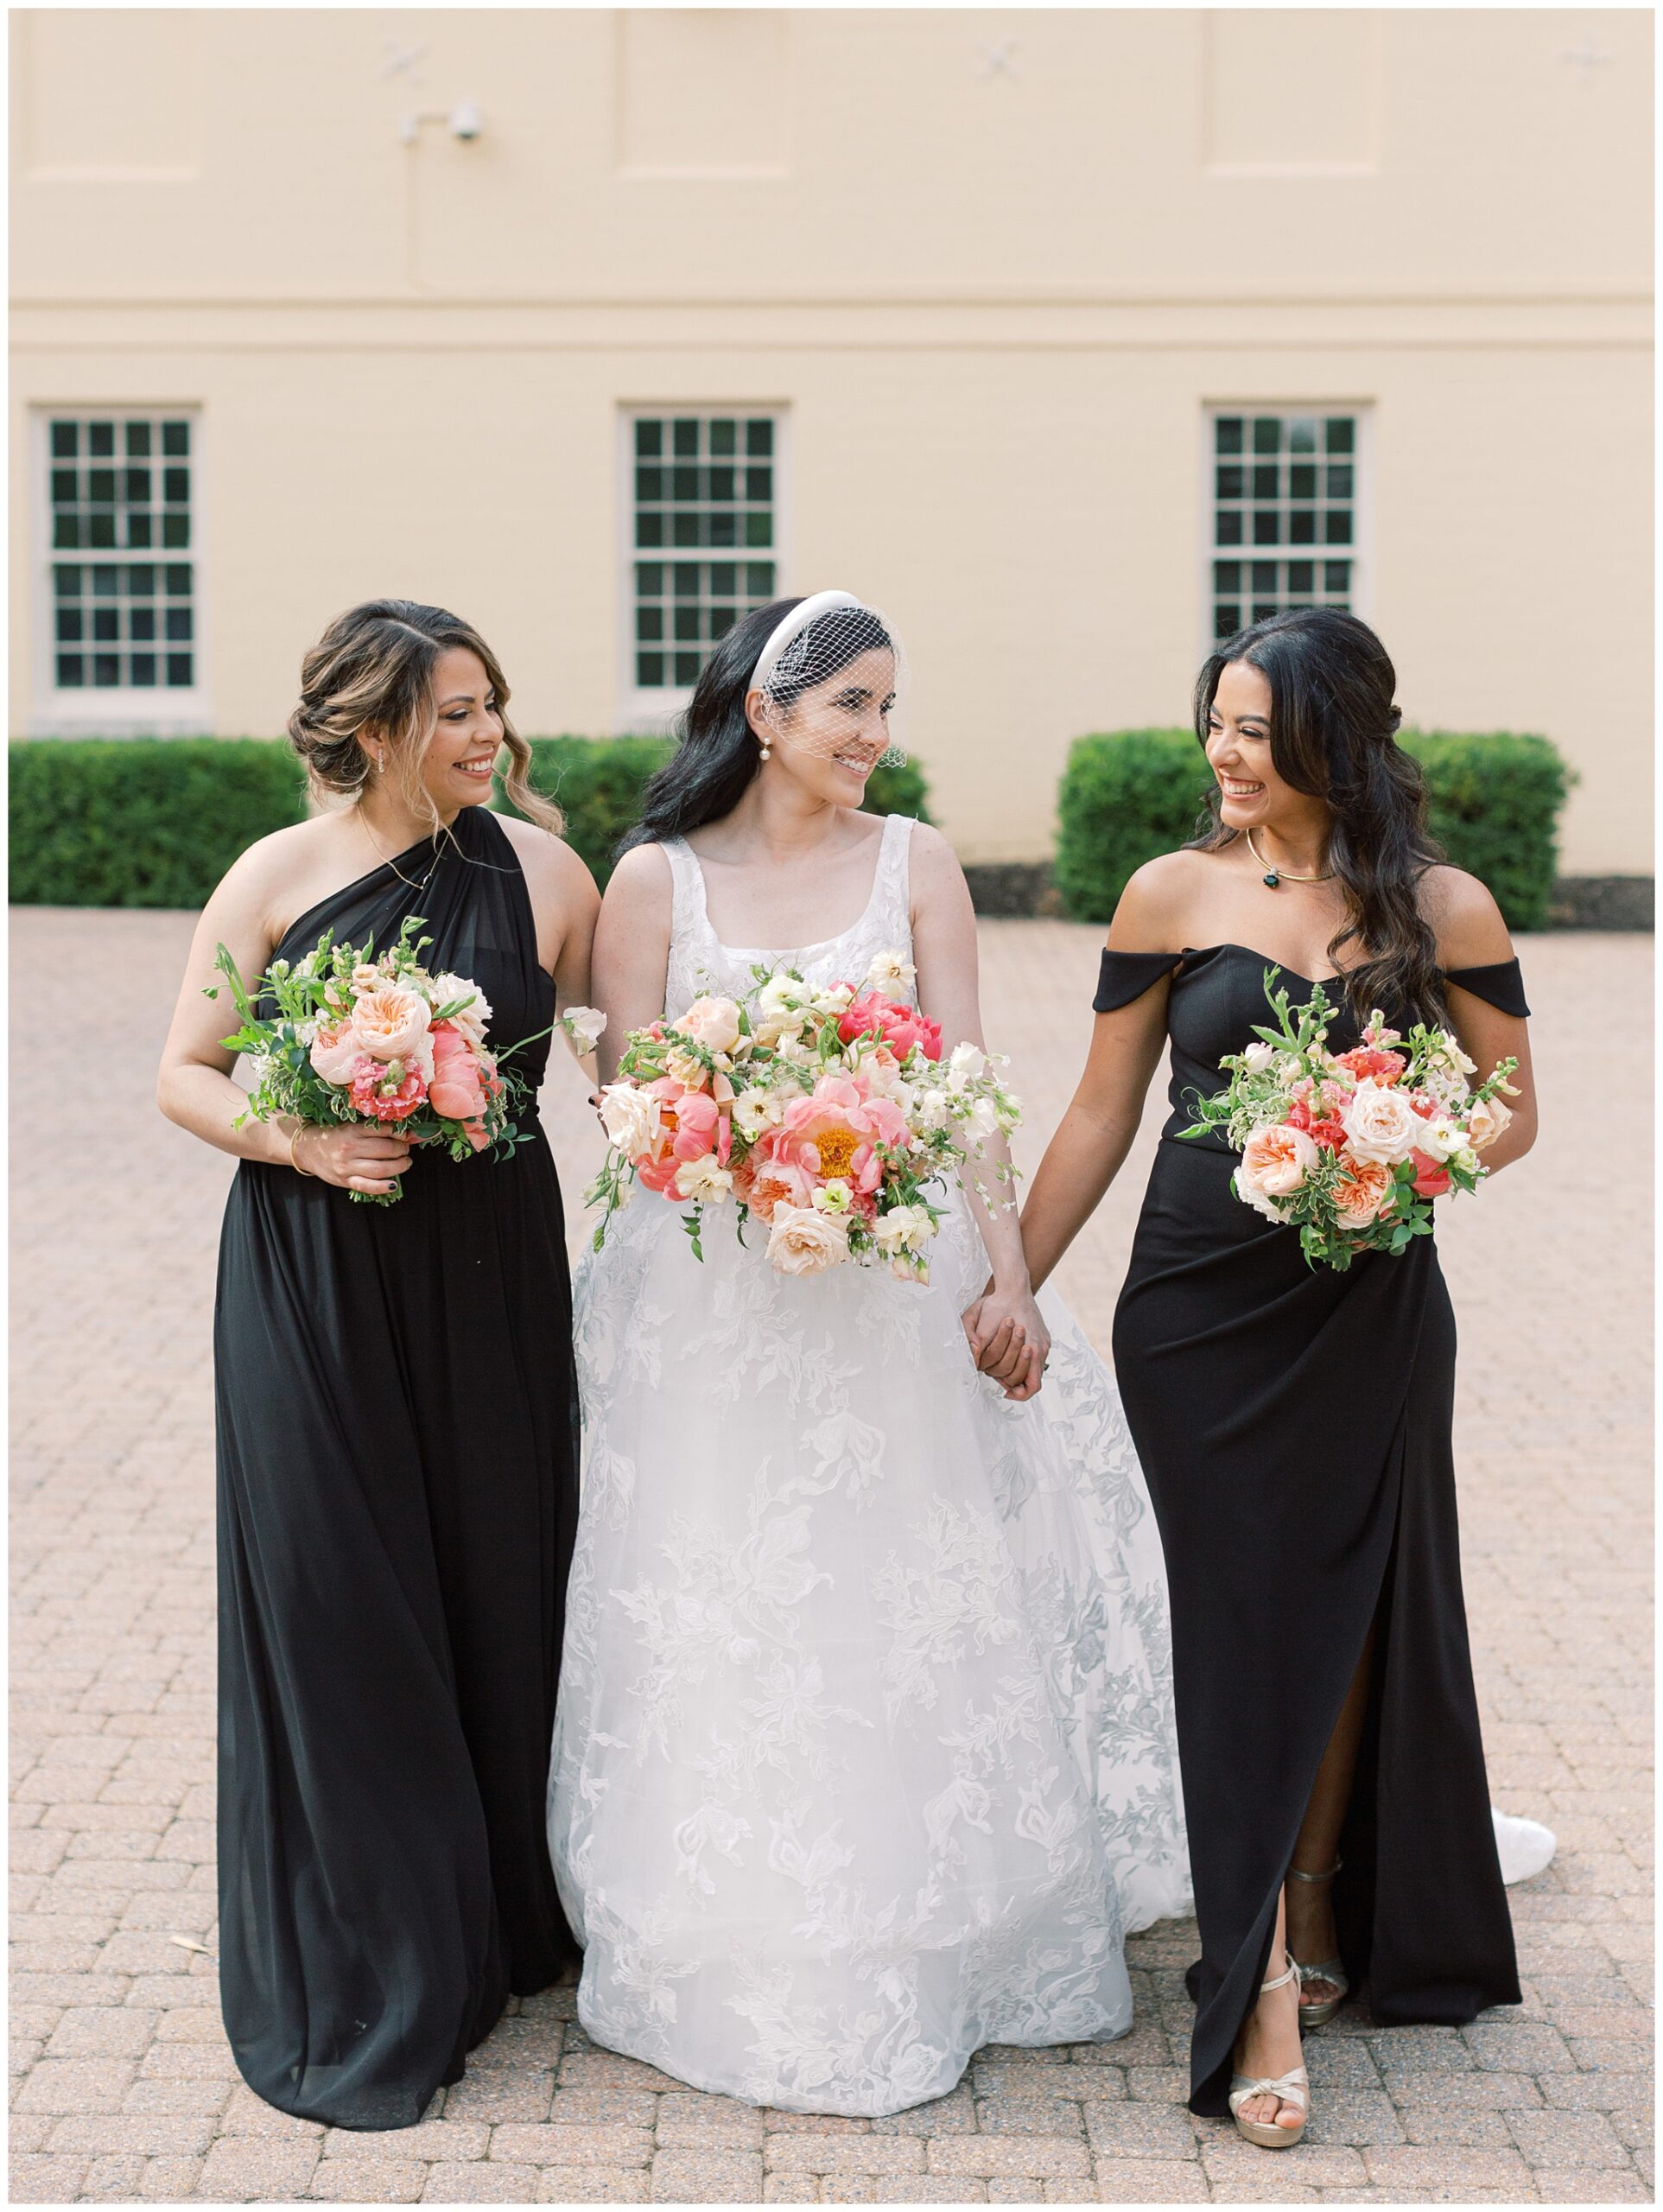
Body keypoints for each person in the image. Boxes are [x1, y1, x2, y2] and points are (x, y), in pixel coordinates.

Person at [546, 592, 1190, 2117]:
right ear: (764, 713)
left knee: (899, 1592)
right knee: (721, 1596)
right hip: (709, 1309)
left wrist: (1013, 1280)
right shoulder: (653, 879)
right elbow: (628, 1111)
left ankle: (936, 1927)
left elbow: (965, 1090)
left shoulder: (918, 865)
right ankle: (718, 1927)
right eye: (850, 706)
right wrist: (749, 1146)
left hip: (897, 1294)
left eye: (887, 708)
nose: (873, 737)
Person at [1007, 607, 1539, 2147]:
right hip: (1192, 1315)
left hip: (1368, 1310)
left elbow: (1505, 1111)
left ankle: (1306, 1917)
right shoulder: (1169, 892)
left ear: (1337, 740)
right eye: (1216, 725)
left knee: (1350, 1603)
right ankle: (1249, 1983)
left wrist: (1396, 1161)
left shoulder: (1442, 905)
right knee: (1239, 1618)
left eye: (1254, 729)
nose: (1223, 756)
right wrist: (1007, 1286)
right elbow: (1102, 1116)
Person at [157, 599, 600, 2127]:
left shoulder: (548, 872)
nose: (487, 735)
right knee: (341, 1591)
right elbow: (183, 1073)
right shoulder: (275, 875)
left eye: (492, 705)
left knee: (497, 1580)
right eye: (454, 712)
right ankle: (374, 1942)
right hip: (314, 1273)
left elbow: (614, 1071)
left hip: (491, 1278)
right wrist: (300, 1133)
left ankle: (493, 1912)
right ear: (368, 727)